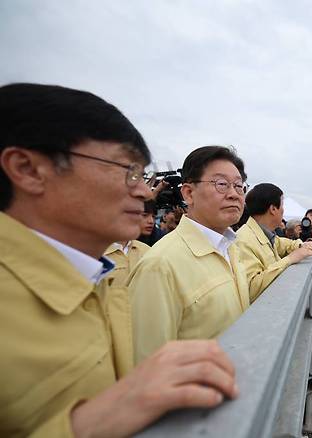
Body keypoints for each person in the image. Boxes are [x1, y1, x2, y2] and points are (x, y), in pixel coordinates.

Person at [0, 83, 238, 438]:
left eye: (141, 174)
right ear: (29, 169)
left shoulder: (101, 281)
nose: (144, 191)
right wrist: (88, 426)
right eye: (126, 170)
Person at [129, 146, 251, 364]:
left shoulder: (231, 248)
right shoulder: (160, 265)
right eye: (221, 184)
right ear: (188, 193)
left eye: (239, 186)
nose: (234, 194)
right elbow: (148, 366)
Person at [235, 183, 312, 302]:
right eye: (282, 205)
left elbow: (283, 244)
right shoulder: (243, 240)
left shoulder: (265, 234)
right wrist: (290, 259)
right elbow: (251, 289)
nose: (283, 210)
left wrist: (301, 245)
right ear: (273, 209)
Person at [103, 201, 153, 287]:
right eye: (144, 215)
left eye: (154, 216)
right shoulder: (95, 254)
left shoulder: (148, 251)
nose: (151, 221)